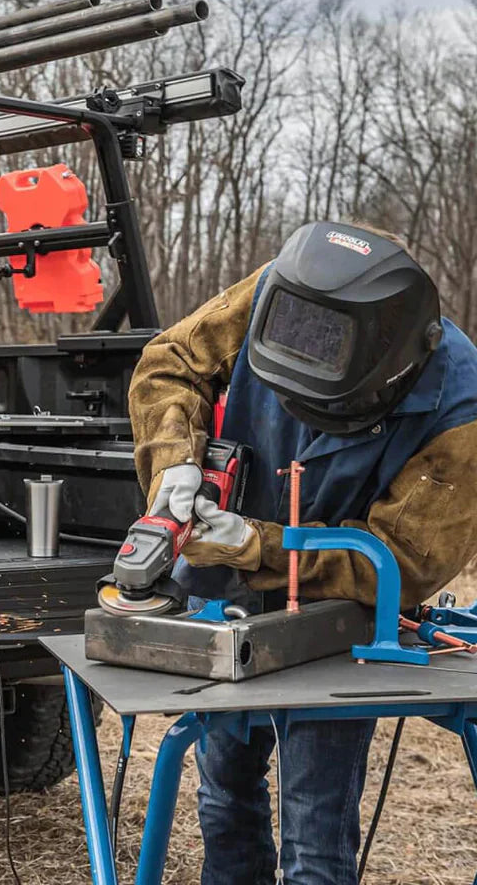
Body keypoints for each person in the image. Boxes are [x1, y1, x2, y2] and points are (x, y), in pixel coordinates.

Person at [128, 220, 477, 885]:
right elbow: (171, 361)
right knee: (224, 792)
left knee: (314, 838)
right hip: (224, 598)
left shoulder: (461, 410)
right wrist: (174, 463)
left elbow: (403, 562)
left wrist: (257, 545)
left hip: (337, 627)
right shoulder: (278, 294)